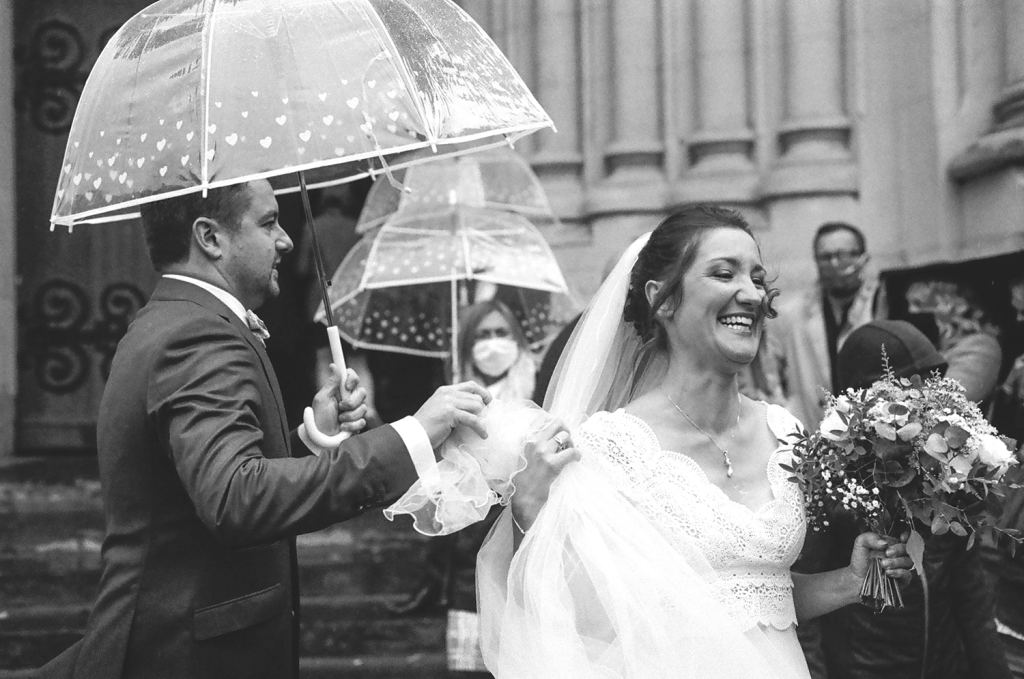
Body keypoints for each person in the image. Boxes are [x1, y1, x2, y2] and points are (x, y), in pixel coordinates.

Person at [37, 179, 493, 679]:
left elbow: (199, 483)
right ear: (210, 238)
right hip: (188, 657)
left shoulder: (176, 320)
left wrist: (315, 436)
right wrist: (413, 433)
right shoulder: (196, 334)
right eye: (268, 221)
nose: (287, 240)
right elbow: (236, 498)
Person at [473, 206, 912, 678]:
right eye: (724, 273)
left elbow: (759, 596)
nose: (751, 294)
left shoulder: (785, 433)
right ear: (662, 301)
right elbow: (584, 623)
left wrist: (850, 581)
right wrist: (531, 517)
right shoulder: (611, 449)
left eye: (758, 279)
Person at [810, 320, 1011, 679]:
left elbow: (973, 605)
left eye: (930, 389)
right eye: (911, 390)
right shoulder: (831, 493)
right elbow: (806, 622)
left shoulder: (947, 480)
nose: (925, 405)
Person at [771, 222, 881, 429]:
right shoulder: (789, 315)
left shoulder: (882, 307)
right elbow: (769, 379)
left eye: (844, 254)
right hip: (811, 436)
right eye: (825, 257)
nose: (835, 263)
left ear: (863, 257)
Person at [905, 279, 1003, 405]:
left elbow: (951, 401)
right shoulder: (941, 345)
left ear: (947, 303)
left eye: (918, 303)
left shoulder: (981, 346)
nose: (911, 311)